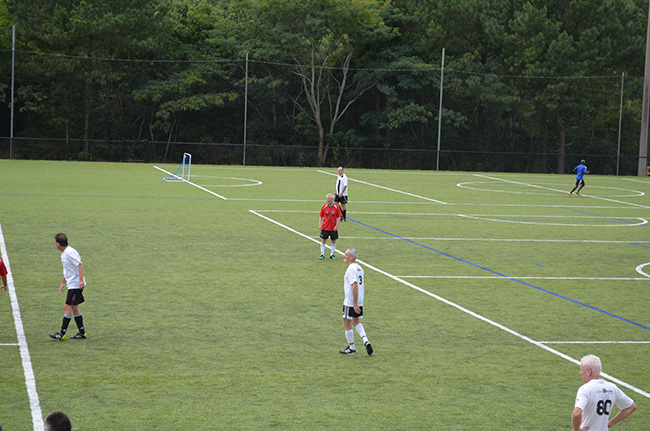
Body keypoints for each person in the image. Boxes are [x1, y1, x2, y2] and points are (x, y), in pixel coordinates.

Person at [572, 354, 636, 431]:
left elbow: (577, 414)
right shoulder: (612, 388)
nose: (580, 373)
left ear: (589, 371)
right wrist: (610, 423)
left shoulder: (585, 389)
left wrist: (576, 429)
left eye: (582, 369)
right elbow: (631, 406)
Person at [50, 233, 87, 340]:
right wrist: (63, 282)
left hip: (75, 285)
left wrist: (81, 280)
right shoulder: (64, 254)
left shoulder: (70, 253)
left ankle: (62, 333)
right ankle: (82, 333)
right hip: (71, 284)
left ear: (58, 243)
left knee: (67, 306)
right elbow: (67, 270)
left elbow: (79, 265)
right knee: (74, 307)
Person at [339, 248, 372, 356]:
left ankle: (351, 348)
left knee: (346, 321)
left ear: (351, 257)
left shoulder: (351, 269)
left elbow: (355, 285)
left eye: (346, 254)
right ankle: (366, 341)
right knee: (356, 320)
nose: (344, 255)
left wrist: (354, 304)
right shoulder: (359, 268)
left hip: (351, 300)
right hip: (360, 299)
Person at [319, 193, 343, 260]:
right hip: (325, 227)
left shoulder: (336, 207)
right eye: (326, 198)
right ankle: (322, 254)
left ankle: (332, 255)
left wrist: (337, 226)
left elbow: (339, 217)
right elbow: (320, 216)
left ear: (332, 199)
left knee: (333, 241)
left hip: (333, 228)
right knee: (323, 240)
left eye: (328, 199)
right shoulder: (324, 207)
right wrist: (320, 224)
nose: (327, 200)